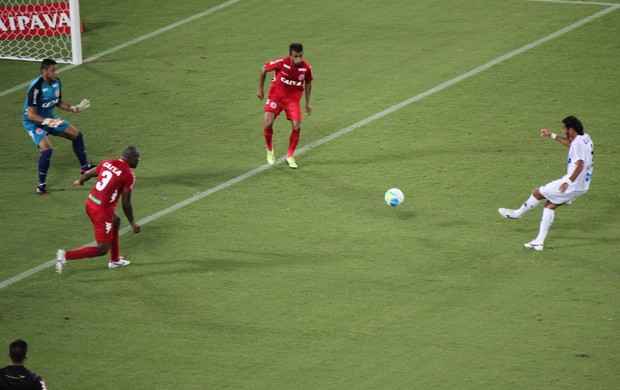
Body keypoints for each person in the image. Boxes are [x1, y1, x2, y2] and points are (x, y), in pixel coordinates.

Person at [498, 116, 594, 251]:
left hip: (572, 185)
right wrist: (552, 135)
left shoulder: (577, 143)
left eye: (564, 129)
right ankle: (539, 242)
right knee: (549, 206)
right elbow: (571, 145)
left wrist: (567, 181)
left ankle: (517, 213)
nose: (563, 131)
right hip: (583, 186)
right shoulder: (585, 138)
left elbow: (580, 165)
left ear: (571, 130)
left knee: (538, 193)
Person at [56, 146, 142, 273]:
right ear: (131, 158)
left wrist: (80, 180)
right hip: (102, 212)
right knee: (102, 249)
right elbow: (126, 203)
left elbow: (90, 173)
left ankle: (115, 260)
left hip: (90, 203)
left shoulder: (108, 162)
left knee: (116, 221)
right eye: (137, 158)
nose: (139, 160)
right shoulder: (128, 175)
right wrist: (132, 222)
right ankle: (66, 255)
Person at [23, 58, 94, 196]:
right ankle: (41, 184)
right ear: (44, 71)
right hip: (33, 122)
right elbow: (30, 114)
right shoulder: (36, 87)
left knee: (77, 135)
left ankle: (85, 168)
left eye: (56, 69)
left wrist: (73, 108)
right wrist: (46, 122)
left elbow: (57, 101)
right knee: (47, 150)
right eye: (53, 70)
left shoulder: (56, 82)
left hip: (50, 117)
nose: (56, 72)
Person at [257, 43, 313, 169]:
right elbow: (264, 68)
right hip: (276, 97)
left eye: (300, 56)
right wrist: (260, 89)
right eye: (296, 56)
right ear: (290, 56)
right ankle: (270, 149)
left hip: (292, 100)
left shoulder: (306, 68)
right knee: (268, 123)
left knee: (297, 127)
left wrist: (307, 102)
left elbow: (308, 83)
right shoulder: (282, 63)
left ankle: (290, 155)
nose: (298, 59)